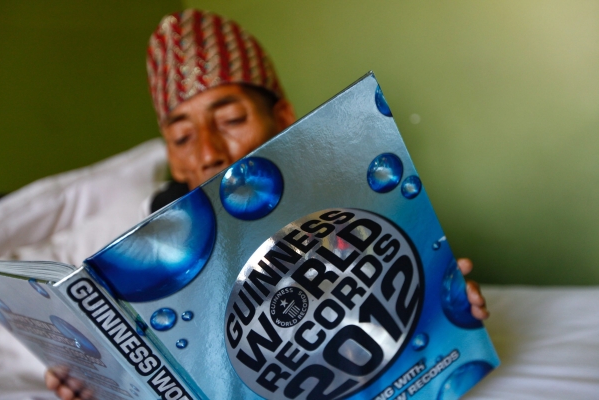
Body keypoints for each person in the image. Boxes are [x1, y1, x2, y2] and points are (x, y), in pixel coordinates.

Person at [42, 9, 488, 400]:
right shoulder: (155, 240)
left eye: (231, 119)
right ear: (173, 159)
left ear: (283, 119)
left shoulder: (348, 197)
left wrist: (442, 303)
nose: (208, 152)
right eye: (182, 136)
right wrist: (102, 377)